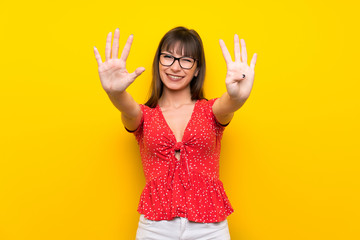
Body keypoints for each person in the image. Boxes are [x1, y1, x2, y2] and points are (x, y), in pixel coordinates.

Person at [93, 26, 257, 240]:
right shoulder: (144, 116)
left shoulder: (211, 111)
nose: (175, 67)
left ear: (197, 69)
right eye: (168, 57)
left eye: (186, 60)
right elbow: (127, 108)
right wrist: (115, 92)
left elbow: (231, 102)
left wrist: (239, 96)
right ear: (158, 62)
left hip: (209, 228)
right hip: (155, 228)